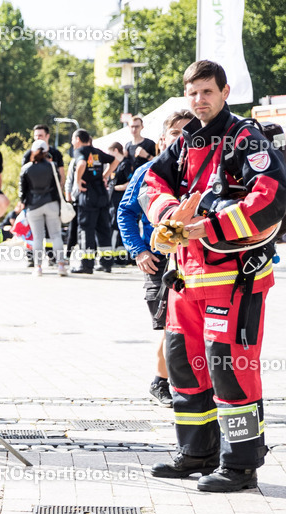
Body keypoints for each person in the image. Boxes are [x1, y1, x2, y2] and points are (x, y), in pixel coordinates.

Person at [142, 60, 286, 492]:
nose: (199, 100)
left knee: (230, 368)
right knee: (184, 366)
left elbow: (272, 195)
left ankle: (240, 464)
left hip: (234, 280)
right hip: (186, 279)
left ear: (225, 92)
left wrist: (209, 226)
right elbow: (151, 182)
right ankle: (196, 453)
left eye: (207, 91)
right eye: (193, 93)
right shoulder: (185, 142)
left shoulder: (246, 138)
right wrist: (171, 213)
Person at [118, 109, 193, 409]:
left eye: (188, 133)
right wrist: (138, 250)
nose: (182, 138)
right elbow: (125, 212)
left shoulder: (201, 170)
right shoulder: (147, 172)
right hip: (160, 262)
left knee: (188, 325)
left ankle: (188, 385)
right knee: (170, 326)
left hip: (195, 259)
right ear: (162, 140)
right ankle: (161, 382)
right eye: (176, 133)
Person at [18, 139, 67, 276]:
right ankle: (61, 265)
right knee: (56, 235)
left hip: (33, 205)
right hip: (51, 203)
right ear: (47, 152)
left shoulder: (26, 168)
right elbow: (58, 185)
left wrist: (23, 202)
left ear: (33, 151)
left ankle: (38, 267)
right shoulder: (52, 166)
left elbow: (22, 190)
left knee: (38, 237)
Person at [69, 129, 115, 274]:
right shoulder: (96, 152)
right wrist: (105, 175)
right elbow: (115, 160)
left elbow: (82, 163)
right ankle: (106, 263)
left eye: (72, 139)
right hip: (102, 194)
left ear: (77, 139)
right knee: (103, 229)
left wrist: (78, 181)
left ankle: (87, 265)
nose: (72, 142)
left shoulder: (80, 151)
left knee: (86, 230)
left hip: (88, 195)